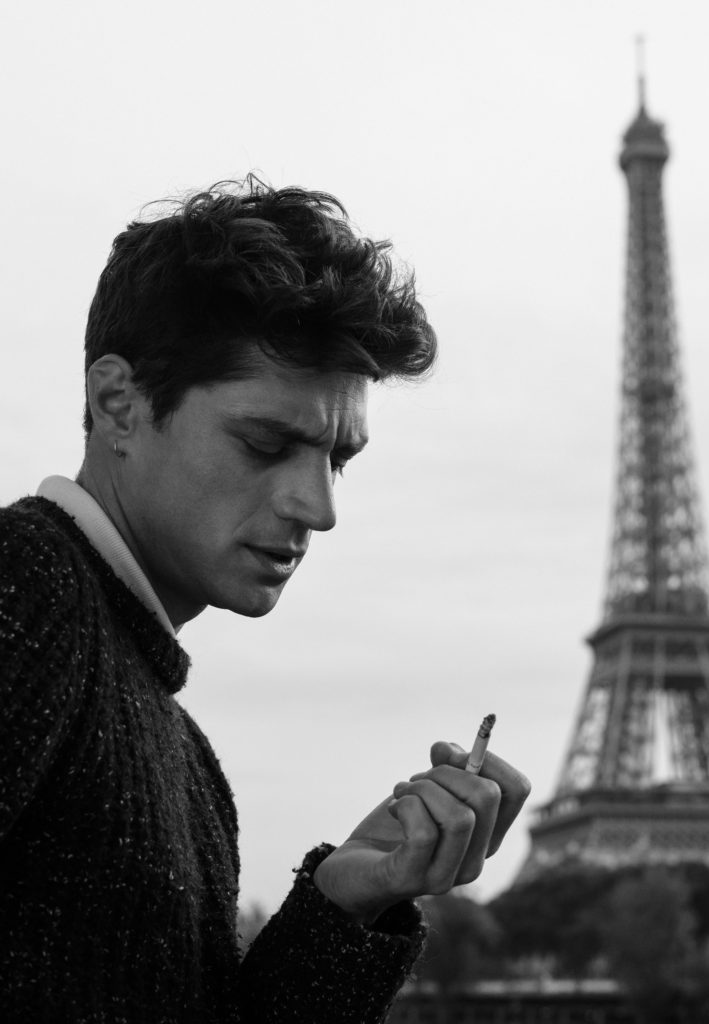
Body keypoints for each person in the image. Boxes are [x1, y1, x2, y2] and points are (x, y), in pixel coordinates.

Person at [0, 177, 530, 1023]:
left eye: (337, 459)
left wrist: (345, 905)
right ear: (118, 406)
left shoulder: (184, 752)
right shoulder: (27, 587)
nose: (317, 507)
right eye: (266, 443)